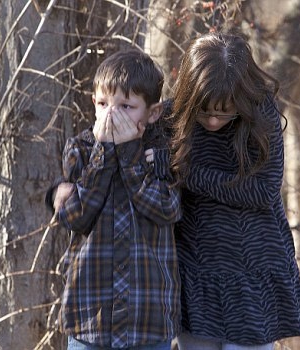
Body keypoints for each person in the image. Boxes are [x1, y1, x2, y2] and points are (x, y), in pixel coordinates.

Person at [169, 32, 300, 349]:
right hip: (196, 274)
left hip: (253, 274)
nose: (215, 121)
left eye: (225, 111)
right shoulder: (172, 118)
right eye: (205, 111)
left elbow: (263, 190)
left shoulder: (262, 115)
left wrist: (188, 173)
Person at [45, 49, 182, 350]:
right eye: (104, 104)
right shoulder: (80, 149)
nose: (112, 115)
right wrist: (103, 156)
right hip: (90, 318)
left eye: (126, 106)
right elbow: (74, 217)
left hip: (147, 319)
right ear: (94, 103)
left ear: (153, 112)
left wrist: (132, 155)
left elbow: (167, 208)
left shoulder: (162, 154)